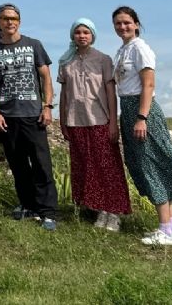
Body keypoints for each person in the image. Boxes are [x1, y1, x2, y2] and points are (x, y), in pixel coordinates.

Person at [113, 6, 172, 246]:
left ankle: (165, 228)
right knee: (144, 163)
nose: (123, 27)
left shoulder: (140, 49)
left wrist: (142, 117)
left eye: (127, 23)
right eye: (118, 24)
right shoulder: (123, 50)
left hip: (141, 109)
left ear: (137, 24)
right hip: (128, 108)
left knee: (151, 164)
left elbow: (148, 85)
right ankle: (170, 227)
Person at [0, 3, 58, 230]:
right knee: (18, 165)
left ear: (19, 21)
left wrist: (47, 106)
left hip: (33, 114)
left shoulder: (33, 45)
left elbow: (45, 76)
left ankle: (48, 212)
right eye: (5, 18)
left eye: (14, 18)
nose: (10, 22)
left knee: (41, 163)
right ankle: (28, 205)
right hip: (8, 115)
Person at [58, 17, 130, 232]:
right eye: (78, 32)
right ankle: (97, 208)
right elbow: (64, 95)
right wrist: (63, 121)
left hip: (100, 119)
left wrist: (113, 123)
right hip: (75, 121)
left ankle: (113, 212)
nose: (82, 36)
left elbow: (110, 92)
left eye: (86, 32)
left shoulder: (103, 60)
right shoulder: (66, 62)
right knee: (85, 164)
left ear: (93, 36)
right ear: (73, 35)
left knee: (107, 165)